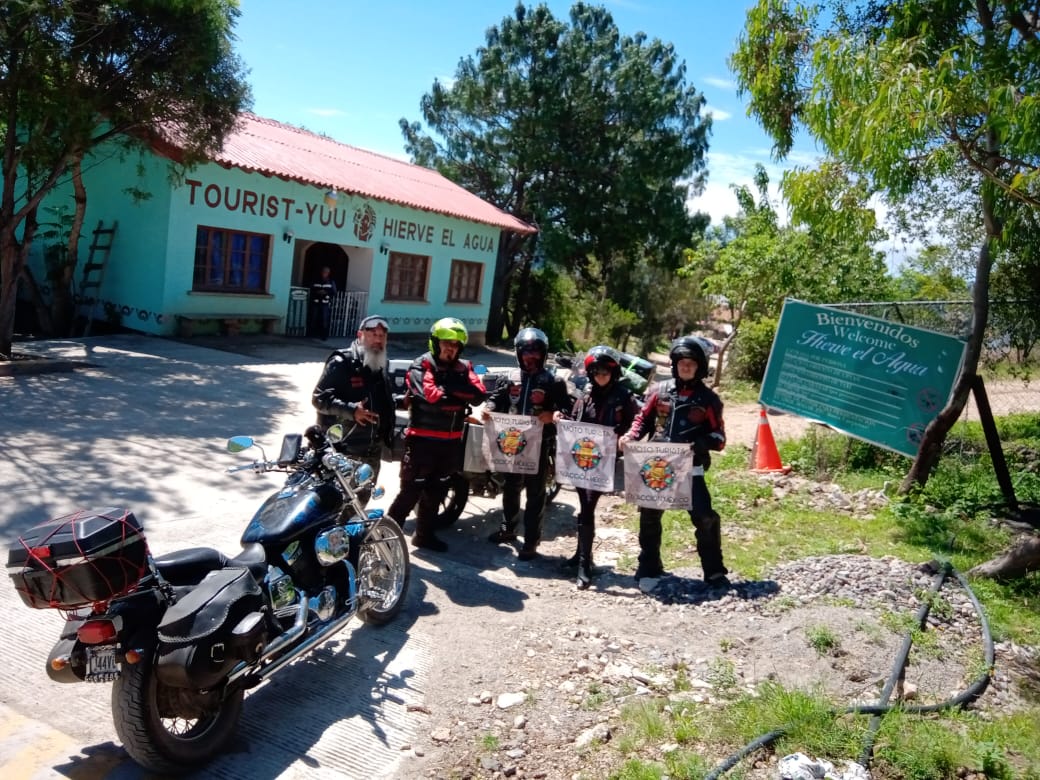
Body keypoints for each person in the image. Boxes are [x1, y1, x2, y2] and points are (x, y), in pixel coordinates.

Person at [619, 336, 729, 586]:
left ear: (700, 366)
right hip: (656, 465)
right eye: (681, 362)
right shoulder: (658, 391)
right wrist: (630, 436)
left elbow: (719, 437)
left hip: (691, 467)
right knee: (649, 515)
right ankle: (649, 564)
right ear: (674, 364)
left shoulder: (710, 400)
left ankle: (714, 570)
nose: (686, 367)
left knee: (705, 516)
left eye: (691, 362)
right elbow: (641, 421)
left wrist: (699, 444)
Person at [385, 317, 486, 552]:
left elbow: (479, 394)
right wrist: (458, 395)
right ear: (436, 342)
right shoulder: (421, 364)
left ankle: (423, 536)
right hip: (421, 441)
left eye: (455, 344)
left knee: (437, 491)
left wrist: (448, 389)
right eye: (446, 342)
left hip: (450, 442)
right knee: (410, 493)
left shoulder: (466, 367)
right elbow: (431, 396)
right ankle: (384, 540)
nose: (450, 347)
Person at [485, 327, 571, 560]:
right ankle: (508, 529)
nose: (530, 357)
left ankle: (531, 541)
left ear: (543, 354)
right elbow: (496, 399)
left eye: (535, 353)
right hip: (512, 444)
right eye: (526, 353)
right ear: (519, 354)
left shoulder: (553, 381)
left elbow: (567, 409)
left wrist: (552, 414)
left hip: (540, 445)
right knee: (510, 487)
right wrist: (489, 409)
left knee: (535, 493)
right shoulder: (510, 377)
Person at [567, 345, 641, 589]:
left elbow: (639, 424)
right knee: (583, 506)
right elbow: (574, 421)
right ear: (590, 374)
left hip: (604, 464)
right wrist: (560, 418)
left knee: (588, 506)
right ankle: (580, 554)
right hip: (581, 462)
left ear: (614, 373)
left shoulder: (624, 397)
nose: (601, 377)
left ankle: (584, 564)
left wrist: (626, 437)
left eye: (605, 372)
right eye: (596, 372)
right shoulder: (585, 394)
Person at [311, 314, 395, 491]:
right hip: (343, 448)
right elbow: (319, 398)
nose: (378, 339)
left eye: (382, 336)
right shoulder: (342, 361)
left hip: (371, 448)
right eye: (373, 334)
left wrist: (401, 403)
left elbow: (380, 399)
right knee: (335, 501)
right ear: (360, 335)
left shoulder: (381, 362)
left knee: (360, 501)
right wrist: (351, 410)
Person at [309, 266, 337, 340]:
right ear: (321, 272)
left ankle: (324, 335)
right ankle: (312, 334)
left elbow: (334, 292)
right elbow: (311, 289)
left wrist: (326, 293)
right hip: (316, 302)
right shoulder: (316, 280)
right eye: (324, 272)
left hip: (325, 303)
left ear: (328, 273)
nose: (325, 273)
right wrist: (317, 292)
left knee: (324, 319)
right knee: (314, 318)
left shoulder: (331, 281)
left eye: (326, 272)